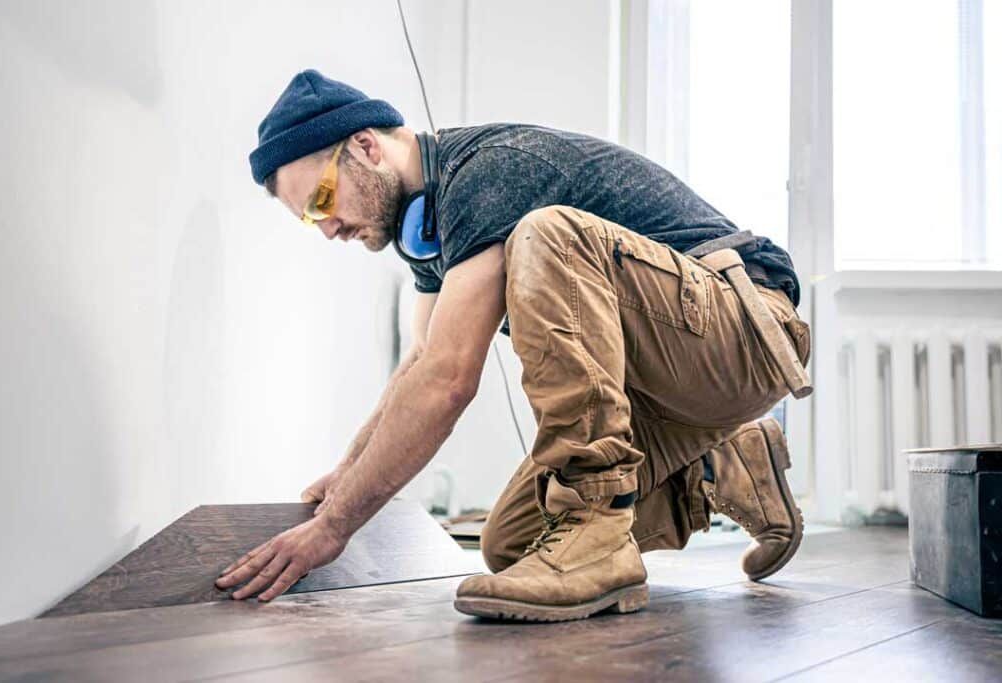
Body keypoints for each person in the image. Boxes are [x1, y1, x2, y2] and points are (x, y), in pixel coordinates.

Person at [215, 70, 812, 622]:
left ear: (367, 147)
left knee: (548, 234)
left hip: (750, 330)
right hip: (673, 385)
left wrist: (336, 528)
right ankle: (726, 467)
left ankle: (597, 534)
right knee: (512, 543)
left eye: (321, 201)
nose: (326, 228)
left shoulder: (489, 172)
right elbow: (421, 361)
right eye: (306, 220)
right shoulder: (429, 231)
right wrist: (346, 472)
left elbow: (449, 380)